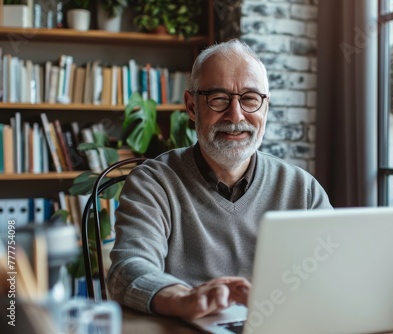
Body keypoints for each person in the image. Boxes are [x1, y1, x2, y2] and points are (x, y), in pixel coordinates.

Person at [106, 39, 333, 320]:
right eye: (218, 98)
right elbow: (126, 271)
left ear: (266, 107)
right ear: (191, 107)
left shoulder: (303, 189)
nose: (236, 115)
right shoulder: (154, 182)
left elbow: (334, 275)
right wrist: (182, 298)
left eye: (250, 99)